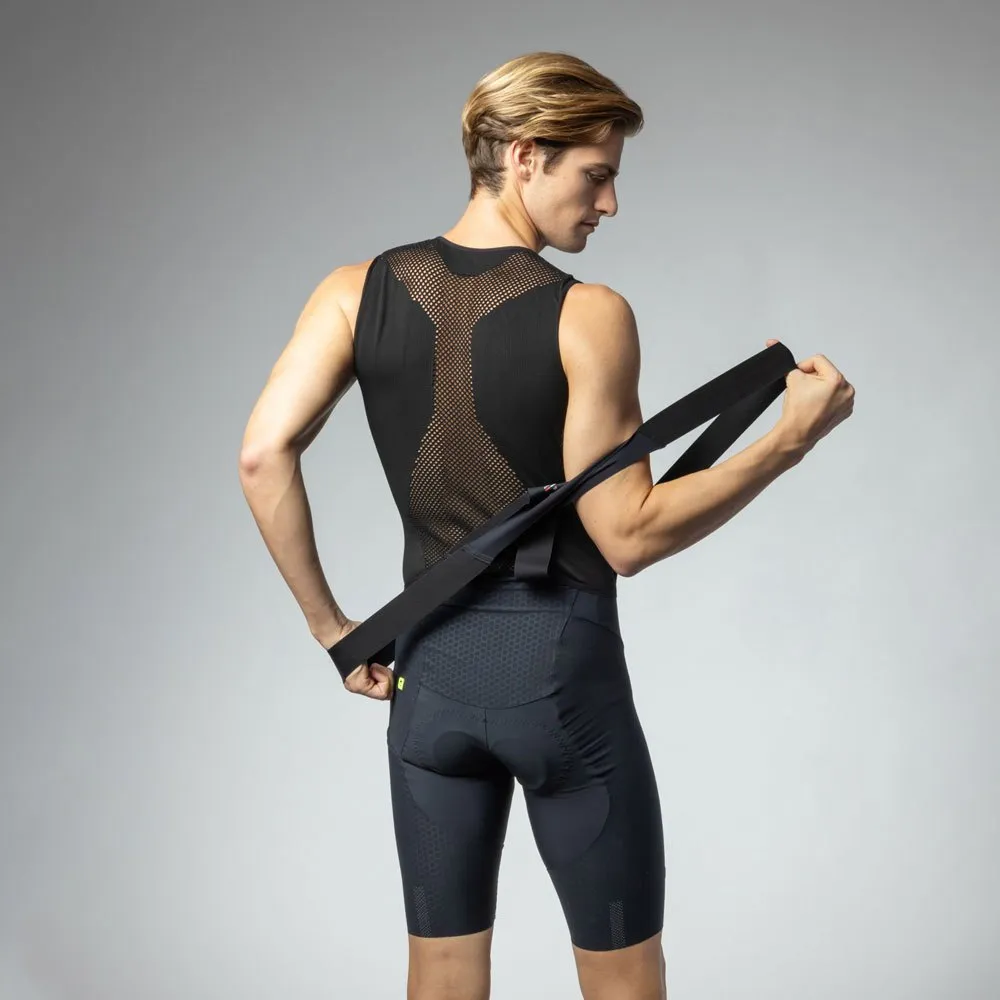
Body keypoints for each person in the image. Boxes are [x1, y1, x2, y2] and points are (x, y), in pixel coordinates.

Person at [238, 51, 855, 1000]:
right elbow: (628, 536)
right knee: (624, 982)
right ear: (525, 155)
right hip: (563, 689)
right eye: (596, 175)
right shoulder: (587, 314)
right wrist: (788, 442)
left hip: (428, 691)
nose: (610, 203)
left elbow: (262, 456)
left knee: (441, 977)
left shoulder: (351, 292)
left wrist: (335, 632)